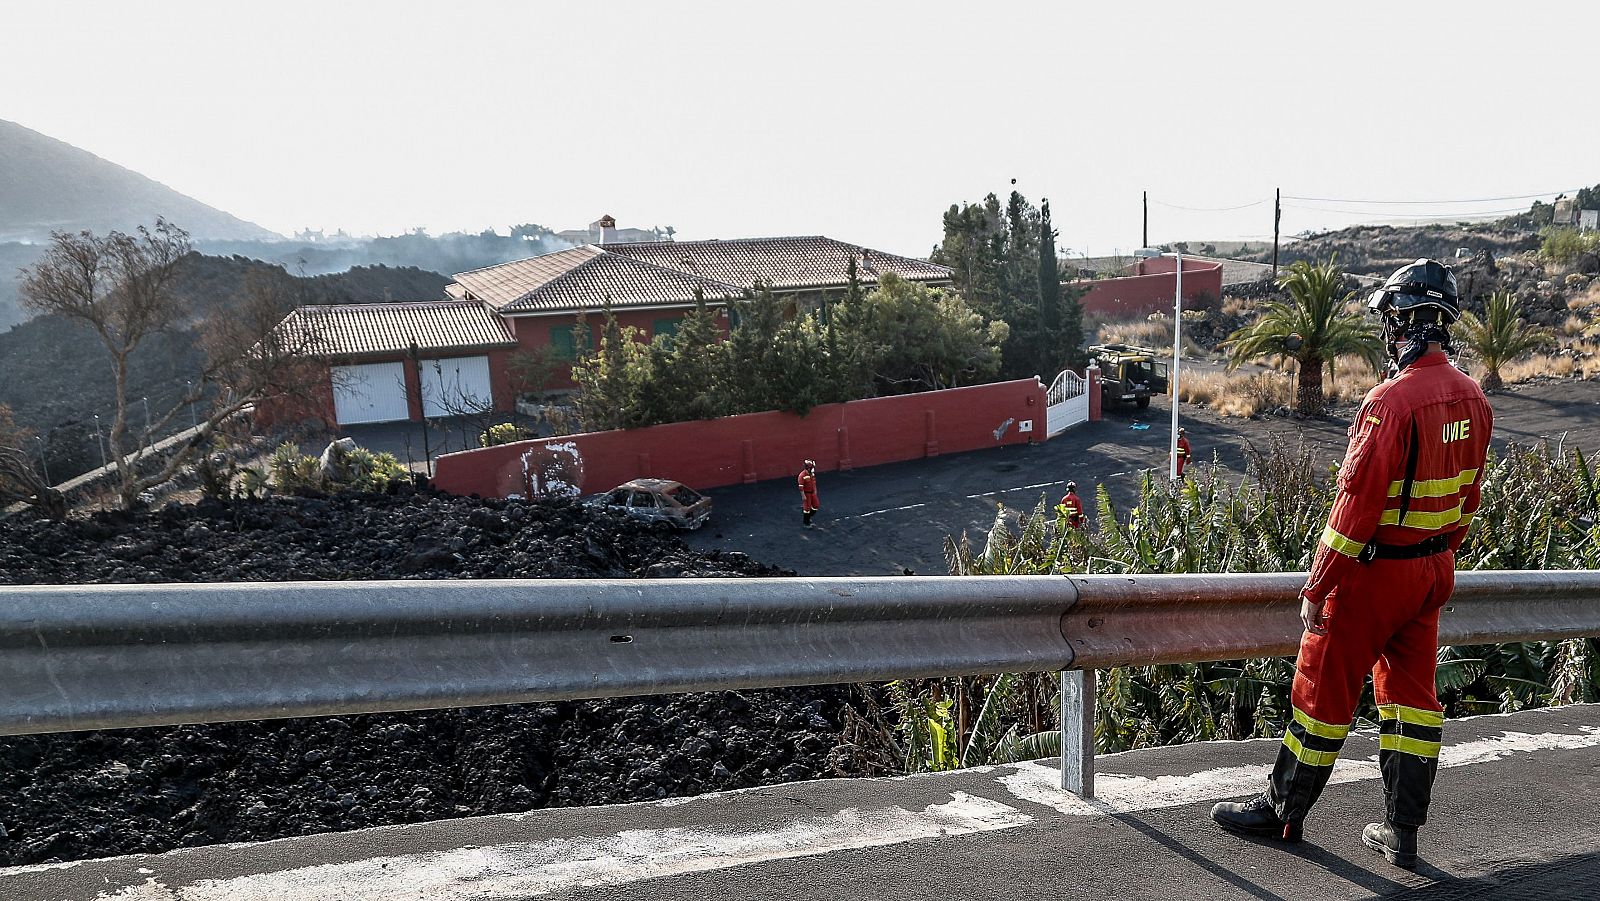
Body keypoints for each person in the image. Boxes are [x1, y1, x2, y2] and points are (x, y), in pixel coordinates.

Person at [1209, 259, 1493, 870]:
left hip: (1374, 575)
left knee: (1322, 691)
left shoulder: (1390, 402)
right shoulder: (1473, 397)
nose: (1388, 334)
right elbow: (1468, 499)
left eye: (1392, 321)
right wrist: (1437, 558)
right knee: (1414, 702)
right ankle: (1403, 833)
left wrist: (1318, 587)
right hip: (1432, 573)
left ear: (1412, 322)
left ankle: (1283, 810)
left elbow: (1354, 508)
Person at [797, 459, 820, 527]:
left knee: (816, 505)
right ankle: (806, 523)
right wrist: (803, 496)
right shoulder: (802, 475)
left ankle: (808, 516)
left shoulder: (812, 474)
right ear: (808, 468)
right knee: (807, 508)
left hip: (812, 493)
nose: (813, 469)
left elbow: (814, 482)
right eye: (812, 467)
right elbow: (801, 487)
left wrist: (815, 490)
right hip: (806, 494)